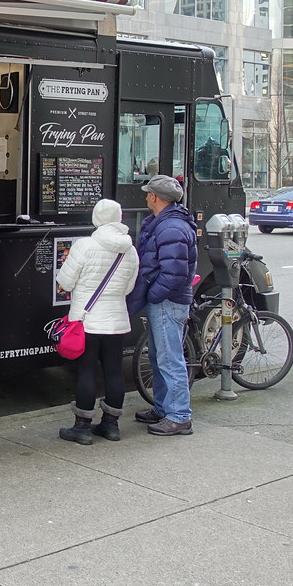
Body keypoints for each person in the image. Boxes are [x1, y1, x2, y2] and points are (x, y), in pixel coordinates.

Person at [55, 199, 140, 445]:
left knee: (86, 371)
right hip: (116, 320)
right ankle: (111, 426)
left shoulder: (85, 245)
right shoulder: (130, 250)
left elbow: (65, 281)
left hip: (87, 321)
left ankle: (81, 428)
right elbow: (128, 288)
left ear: (96, 218)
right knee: (113, 371)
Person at [127, 174, 198, 436]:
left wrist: (153, 295)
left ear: (155, 197)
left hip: (168, 302)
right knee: (160, 357)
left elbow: (174, 273)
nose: (146, 196)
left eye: (148, 193)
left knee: (169, 359)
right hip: (166, 300)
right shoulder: (167, 223)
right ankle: (163, 408)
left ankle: (179, 416)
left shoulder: (170, 228)